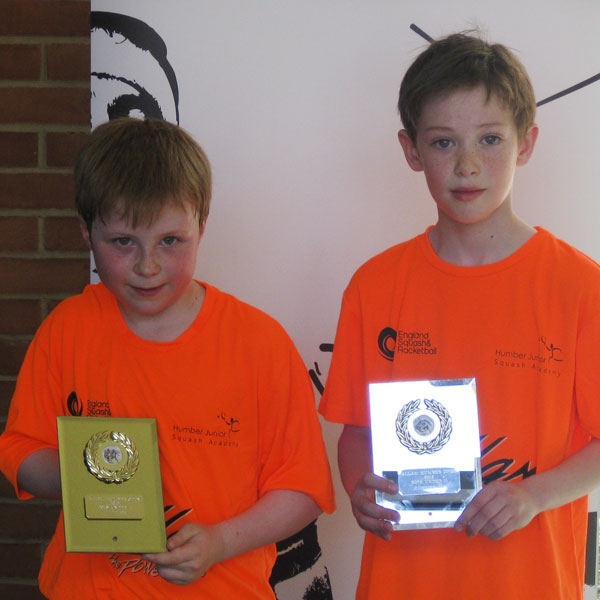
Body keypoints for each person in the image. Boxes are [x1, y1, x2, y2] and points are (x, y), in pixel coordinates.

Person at [0, 117, 335, 599]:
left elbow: (304, 490)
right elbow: (20, 452)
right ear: (86, 231)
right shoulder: (66, 330)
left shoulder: (258, 343)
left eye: (170, 241)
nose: (148, 266)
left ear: (202, 226)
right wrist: (86, 472)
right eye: (123, 242)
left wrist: (220, 542)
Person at [319, 32, 600, 600]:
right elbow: (356, 434)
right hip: (401, 582)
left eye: (490, 139)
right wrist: (359, 489)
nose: (468, 165)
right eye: (443, 142)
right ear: (411, 151)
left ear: (526, 143)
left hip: (530, 583)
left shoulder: (580, 286)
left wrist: (534, 496)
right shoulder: (375, 286)